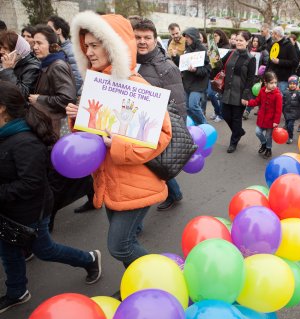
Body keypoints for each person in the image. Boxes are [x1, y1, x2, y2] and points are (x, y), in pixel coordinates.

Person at [68, 11, 172, 268]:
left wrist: (117, 144)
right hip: (110, 181)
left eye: (95, 45)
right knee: (126, 244)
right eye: (86, 46)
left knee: (120, 245)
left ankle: (167, 275)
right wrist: (78, 117)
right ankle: (139, 285)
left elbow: (162, 136)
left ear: (113, 45)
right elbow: (89, 140)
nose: (88, 51)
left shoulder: (135, 84)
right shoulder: (96, 83)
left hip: (137, 183)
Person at [0, 81, 101, 314]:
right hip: (9, 211)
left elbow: (31, 184)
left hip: (31, 212)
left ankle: (89, 259)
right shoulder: (7, 134)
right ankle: (17, 292)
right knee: (9, 250)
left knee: (45, 250)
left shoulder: (24, 142)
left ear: (3, 108)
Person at [29, 25, 95, 226]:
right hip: (50, 126)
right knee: (72, 172)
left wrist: (40, 99)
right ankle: (93, 195)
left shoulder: (56, 65)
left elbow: (66, 98)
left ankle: (46, 223)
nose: (35, 47)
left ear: (53, 45)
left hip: (57, 128)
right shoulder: (44, 64)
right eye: (33, 43)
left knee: (55, 177)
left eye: (39, 43)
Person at [132, 18, 186, 211]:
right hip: (133, 127)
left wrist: (173, 135)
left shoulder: (167, 68)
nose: (142, 41)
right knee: (153, 167)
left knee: (157, 166)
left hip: (157, 131)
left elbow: (179, 106)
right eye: (137, 37)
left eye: (147, 37)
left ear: (155, 40)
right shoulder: (128, 63)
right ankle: (175, 192)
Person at [213, 31, 256, 153]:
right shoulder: (230, 53)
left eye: (241, 40)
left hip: (240, 93)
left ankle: (234, 142)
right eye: (237, 40)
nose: (238, 42)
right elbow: (219, 65)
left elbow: (250, 79)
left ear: (247, 42)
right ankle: (239, 132)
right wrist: (212, 57)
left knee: (236, 119)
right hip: (227, 90)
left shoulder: (251, 59)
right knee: (225, 114)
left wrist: (245, 96)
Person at [242, 71, 282, 158]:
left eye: (275, 82)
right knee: (258, 132)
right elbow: (257, 101)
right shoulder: (262, 91)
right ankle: (264, 144)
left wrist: (276, 121)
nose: (274, 85)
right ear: (265, 83)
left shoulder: (277, 95)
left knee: (268, 136)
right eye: (271, 83)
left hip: (271, 121)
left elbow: (278, 110)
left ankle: (268, 148)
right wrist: (248, 103)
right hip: (261, 118)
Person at [47, 15, 84, 95]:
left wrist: (67, 95)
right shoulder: (53, 49)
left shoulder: (71, 50)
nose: (46, 32)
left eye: (49, 28)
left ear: (59, 30)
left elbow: (77, 78)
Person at [181, 27, 210, 125]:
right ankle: (197, 126)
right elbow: (183, 65)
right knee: (187, 108)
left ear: (193, 37)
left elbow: (207, 69)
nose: (186, 39)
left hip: (198, 84)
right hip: (187, 83)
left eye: (188, 37)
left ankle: (204, 125)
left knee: (193, 105)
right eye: (185, 37)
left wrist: (196, 70)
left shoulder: (203, 50)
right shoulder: (187, 49)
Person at [0, 30, 40, 99]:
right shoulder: (8, 62)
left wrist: (7, 70)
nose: (1, 51)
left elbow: (23, 93)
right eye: (1, 47)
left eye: (5, 48)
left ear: (17, 51)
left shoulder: (32, 67)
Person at [265, 27, 299, 93]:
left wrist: (279, 61)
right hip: (271, 78)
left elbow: (295, 62)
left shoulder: (289, 46)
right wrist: (266, 74)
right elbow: (269, 60)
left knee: (281, 99)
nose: (271, 36)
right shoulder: (273, 45)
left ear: (276, 34)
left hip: (282, 80)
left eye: (272, 34)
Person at [282, 75, 300, 144]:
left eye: (294, 84)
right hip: (286, 112)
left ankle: (290, 137)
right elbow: (283, 101)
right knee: (287, 124)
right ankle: (287, 135)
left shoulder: (298, 92)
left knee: (290, 125)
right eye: (290, 84)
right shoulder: (285, 92)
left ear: (296, 85)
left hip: (294, 112)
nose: (292, 85)